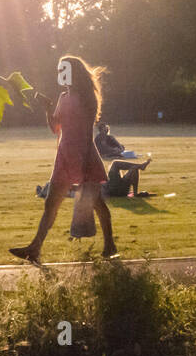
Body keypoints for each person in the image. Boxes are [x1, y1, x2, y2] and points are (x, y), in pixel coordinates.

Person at [10, 56, 117, 265]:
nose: (60, 74)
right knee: (51, 203)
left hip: (84, 155)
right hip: (65, 156)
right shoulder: (63, 97)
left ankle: (110, 246)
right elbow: (55, 129)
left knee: (96, 203)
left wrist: (84, 161)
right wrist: (48, 108)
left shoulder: (87, 98)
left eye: (63, 70)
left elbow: (85, 128)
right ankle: (35, 249)